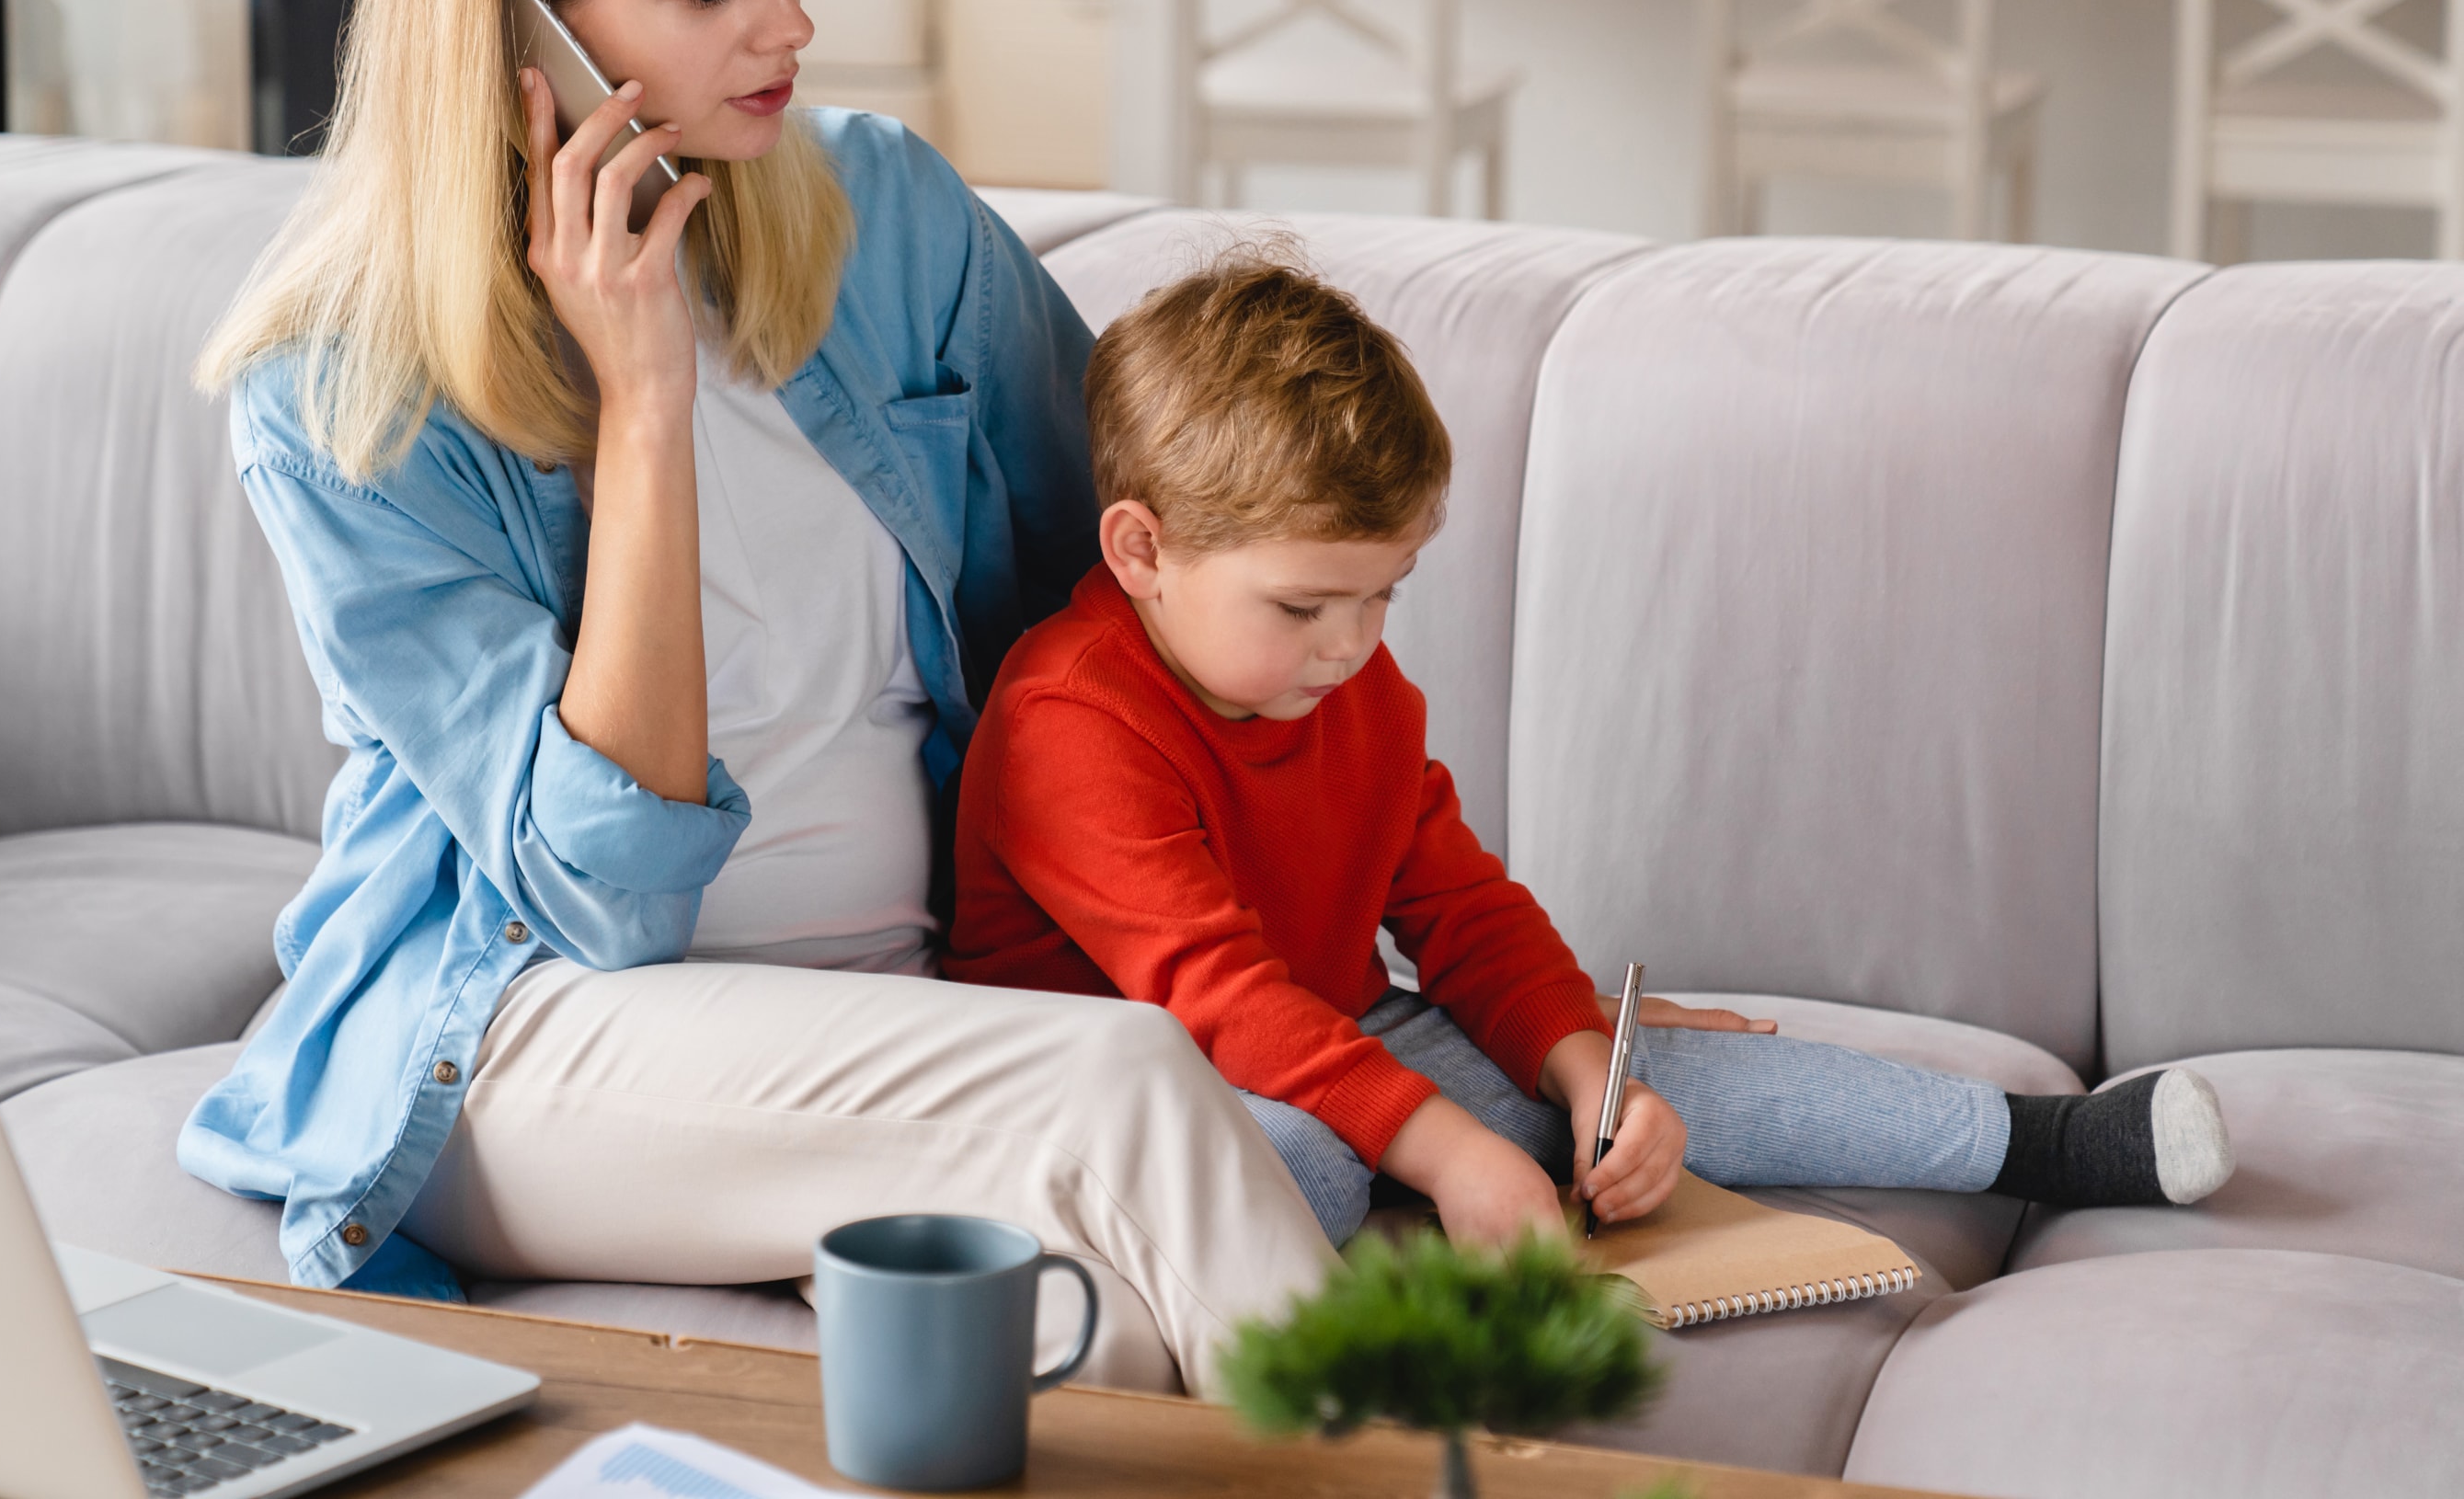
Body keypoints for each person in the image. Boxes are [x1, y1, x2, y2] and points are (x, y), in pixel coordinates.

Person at [180, 0, 1334, 1396]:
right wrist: (644, 403)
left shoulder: (887, 223)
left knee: (1096, 1337)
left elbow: (1138, 601)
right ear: (521, 40)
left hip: (913, 1015)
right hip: (533, 1041)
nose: (784, 26)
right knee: (1124, 1086)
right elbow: (609, 902)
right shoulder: (343, 396)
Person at [945, 252, 2238, 1248]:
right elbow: (1216, 999)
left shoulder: (1349, 689)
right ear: (1140, 552)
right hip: (1140, 1088)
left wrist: (1579, 1069)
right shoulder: (1069, 719)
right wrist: (1447, 1150)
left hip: (1332, 1033)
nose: (1349, 647)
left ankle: (2041, 1142)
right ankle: (1425, 1202)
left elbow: (1460, 910)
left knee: (1618, 1072)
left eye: (1381, 595)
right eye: (1301, 608)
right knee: (1302, 1162)